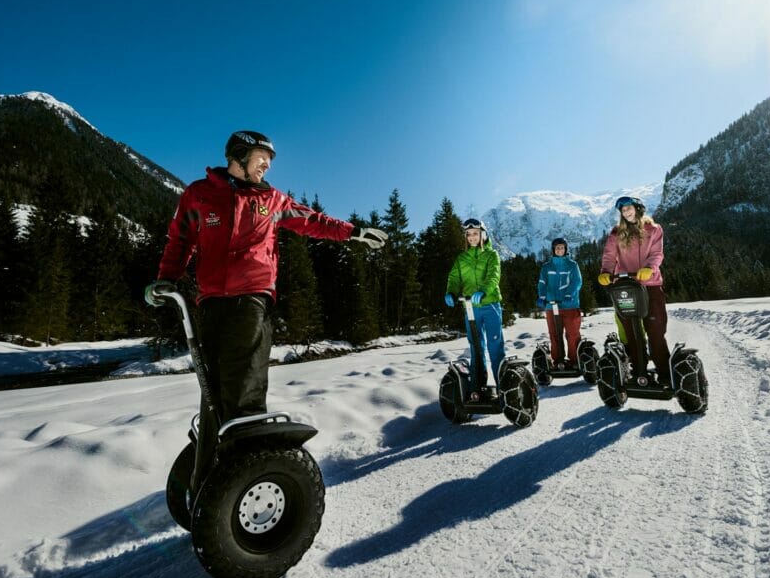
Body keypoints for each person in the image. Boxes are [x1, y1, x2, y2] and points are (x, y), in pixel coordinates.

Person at [145, 130, 387, 483]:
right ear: (239, 155)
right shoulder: (199, 195)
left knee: (245, 383)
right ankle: (213, 467)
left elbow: (312, 221)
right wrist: (167, 277)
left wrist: (353, 232)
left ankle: (247, 469)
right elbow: (180, 239)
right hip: (211, 301)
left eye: (271, 160)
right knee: (213, 388)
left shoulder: (272, 200)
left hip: (253, 297)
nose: (268, 165)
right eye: (263, 157)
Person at [597, 195, 671, 381]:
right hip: (626, 287)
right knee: (631, 332)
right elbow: (609, 256)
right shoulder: (616, 233)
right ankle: (638, 371)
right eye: (623, 210)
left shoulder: (654, 230)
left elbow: (657, 254)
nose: (626, 212)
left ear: (638, 208)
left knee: (655, 330)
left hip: (650, 285)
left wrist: (649, 269)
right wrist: (606, 271)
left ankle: (665, 373)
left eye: (629, 208)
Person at [444, 218, 505, 391]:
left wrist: (484, 290)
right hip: (470, 309)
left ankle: (503, 387)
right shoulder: (461, 258)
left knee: (495, 346)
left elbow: (494, 275)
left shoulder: (492, 255)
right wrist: (451, 292)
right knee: (476, 347)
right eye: (469, 234)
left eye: (475, 234)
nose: (472, 237)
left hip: (491, 304)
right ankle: (478, 387)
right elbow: (454, 278)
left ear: (483, 235)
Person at [537, 237, 583, 369]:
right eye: (557, 248)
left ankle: (574, 360)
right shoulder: (547, 267)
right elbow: (542, 283)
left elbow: (577, 282)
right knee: (554, 334)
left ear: (566, 249)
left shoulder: (572, 265)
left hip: (569, 305)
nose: (559, 250)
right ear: (553, 250)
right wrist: (542, 296)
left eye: (562, 247)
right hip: (551, 306)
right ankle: (558, 361)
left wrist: (570, 294)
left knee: (572, 334)